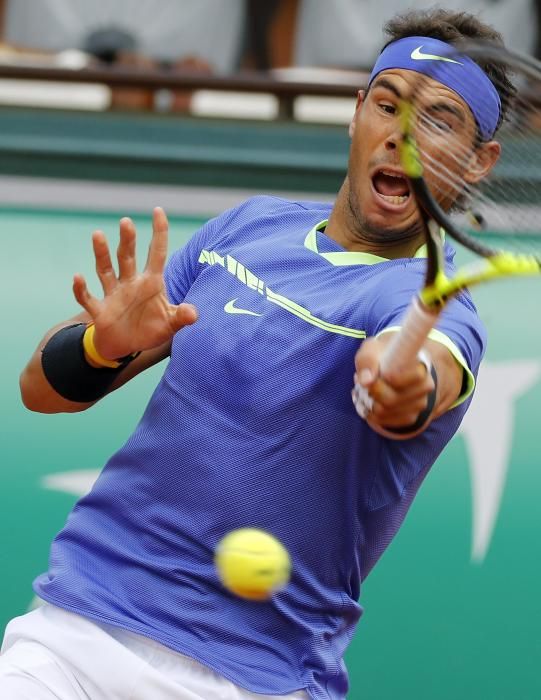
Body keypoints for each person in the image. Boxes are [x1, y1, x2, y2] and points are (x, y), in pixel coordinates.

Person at [0, 8, 510, 700]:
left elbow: (417, 383)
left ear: (480, 160)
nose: (401, 136)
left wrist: (395, 384)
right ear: (356, 113)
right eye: (387, 105)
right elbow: (42, 390)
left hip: (249, 678)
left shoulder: (432, 308)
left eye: (439, 120)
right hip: (75, 631)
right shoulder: (247, 227)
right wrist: (101, 346)